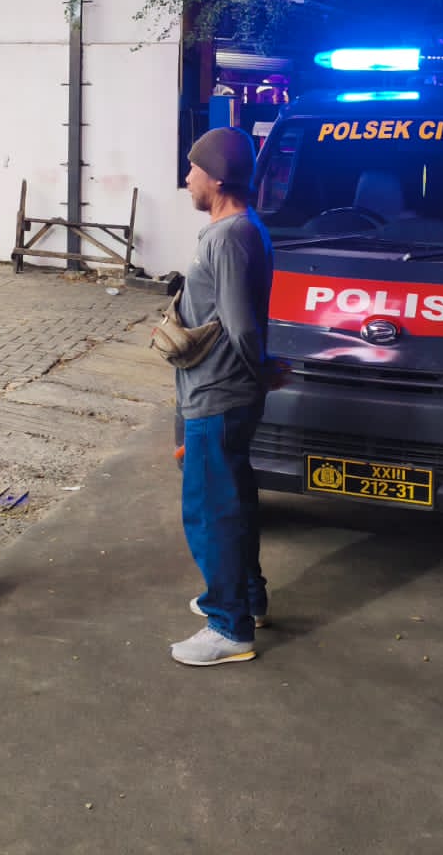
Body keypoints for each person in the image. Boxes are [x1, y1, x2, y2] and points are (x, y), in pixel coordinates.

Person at [169, 126, 280, 668]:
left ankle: (227, 625)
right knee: (232, 502)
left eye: (193, 168)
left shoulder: (229, 236)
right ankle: (246, 600)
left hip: (218, 394)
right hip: (219, 392)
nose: (187, 177)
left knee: (211, 511)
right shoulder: (234, 230)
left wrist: (261, 371)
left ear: (215, 177)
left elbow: (239, 326)